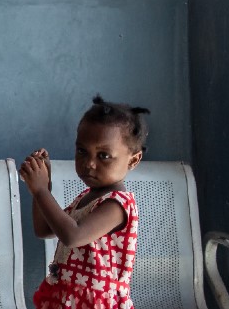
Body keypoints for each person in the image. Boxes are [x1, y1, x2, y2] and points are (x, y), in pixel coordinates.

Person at [21, 96, 148, 309]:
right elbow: (44, 229)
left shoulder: (117, 205)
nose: (89, 163)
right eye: (82, 151)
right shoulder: (86, 198)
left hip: (95, 303)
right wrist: (45, 187)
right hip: (67, 296)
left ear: (133, 160)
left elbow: (73, 236)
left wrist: (41, 190)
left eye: (104, 156)